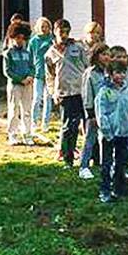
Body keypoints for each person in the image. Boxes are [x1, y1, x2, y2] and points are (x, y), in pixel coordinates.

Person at [95, 62, 128, 202]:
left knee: (121, 162)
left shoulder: (127, 91)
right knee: (106, 163)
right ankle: (105, 190)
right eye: (117, 72)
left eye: (123, 72)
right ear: (110, 73)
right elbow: (101, 113)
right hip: (109, 134)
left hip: (124, 133)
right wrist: (107, 131)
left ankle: (118, 188)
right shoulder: (104, 91)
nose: (121, 75)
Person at [45, 20, 87, 165]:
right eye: (60, 32)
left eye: (66, 32)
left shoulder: (78, 47)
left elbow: (86, 66)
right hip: (64, 92)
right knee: (68, 126)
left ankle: (91, 156)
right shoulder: (50, 53)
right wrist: (53, 93)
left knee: (86, 123)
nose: (63, 35)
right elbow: (50, 76)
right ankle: (67, 157)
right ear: (54, 32)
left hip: (80, 90)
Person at [79, 43, 112, 179]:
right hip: (94, 112)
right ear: (96, 56)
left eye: (108, 55)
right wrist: (90, 112)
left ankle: (107, 165)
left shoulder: (110, 73)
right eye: (103, 54)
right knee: (90, 139)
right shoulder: (90, 73)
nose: (107, 57)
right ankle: (84, 166)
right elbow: (87, 94)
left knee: (106, 139)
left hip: (108, 111)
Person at [2, 21, 36, 145]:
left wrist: (31, 76)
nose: (20, 40)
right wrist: (20, 79)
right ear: (12, 38)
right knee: (13, 109)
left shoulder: (27, 53)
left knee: (27, 110)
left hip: (28, 85)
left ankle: (27, 134)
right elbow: (7, 71)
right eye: (17, 38)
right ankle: (12, 134)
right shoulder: (8, 54)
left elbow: (32, 66)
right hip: (15, 85)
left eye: (22, 38)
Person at [28, 17, 55, 133]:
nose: (44, 29)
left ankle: (45, 123)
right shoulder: (33, 41)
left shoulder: (52, 40)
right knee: (37, 98)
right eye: (42, 27)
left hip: (50, 74)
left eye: (46, 26)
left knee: (48, 99)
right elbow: (29, 57)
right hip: (38, 73)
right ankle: (34, 121)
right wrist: (30, 72)